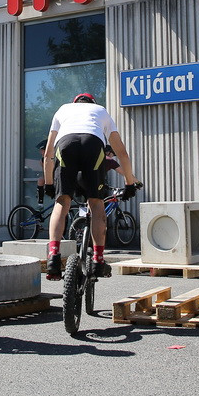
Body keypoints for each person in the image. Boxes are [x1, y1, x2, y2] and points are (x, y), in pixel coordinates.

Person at [41, 93, 141, 281]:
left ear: (75, 102)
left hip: (66, 144)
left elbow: (48, 155)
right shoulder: (100, 110)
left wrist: (48, 184)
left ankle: (53, 257)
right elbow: (122, 153)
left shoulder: (63, 109)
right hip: (92, 144)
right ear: (92, 103)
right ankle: (98, 260)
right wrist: (129, 184)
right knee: (96, 203)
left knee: (62, 202)